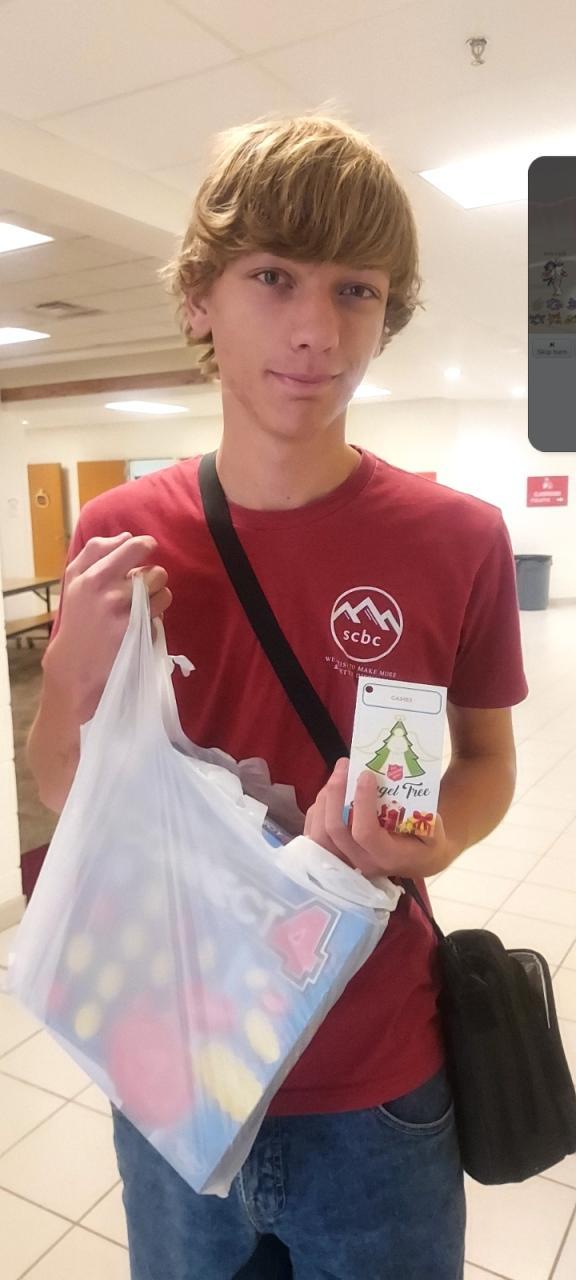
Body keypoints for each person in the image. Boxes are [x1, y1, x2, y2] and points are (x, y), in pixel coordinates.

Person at [28, 114, 528, 1280]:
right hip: (175, 1058)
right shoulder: (119, 533)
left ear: (389, 314)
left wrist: (437, 835)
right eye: (272, 277)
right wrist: (65, 673)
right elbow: (66, 787)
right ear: (198, 297)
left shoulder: (458, 537)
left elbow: (487, 759)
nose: (317, 330)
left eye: (357, 290)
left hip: (379, 1076)